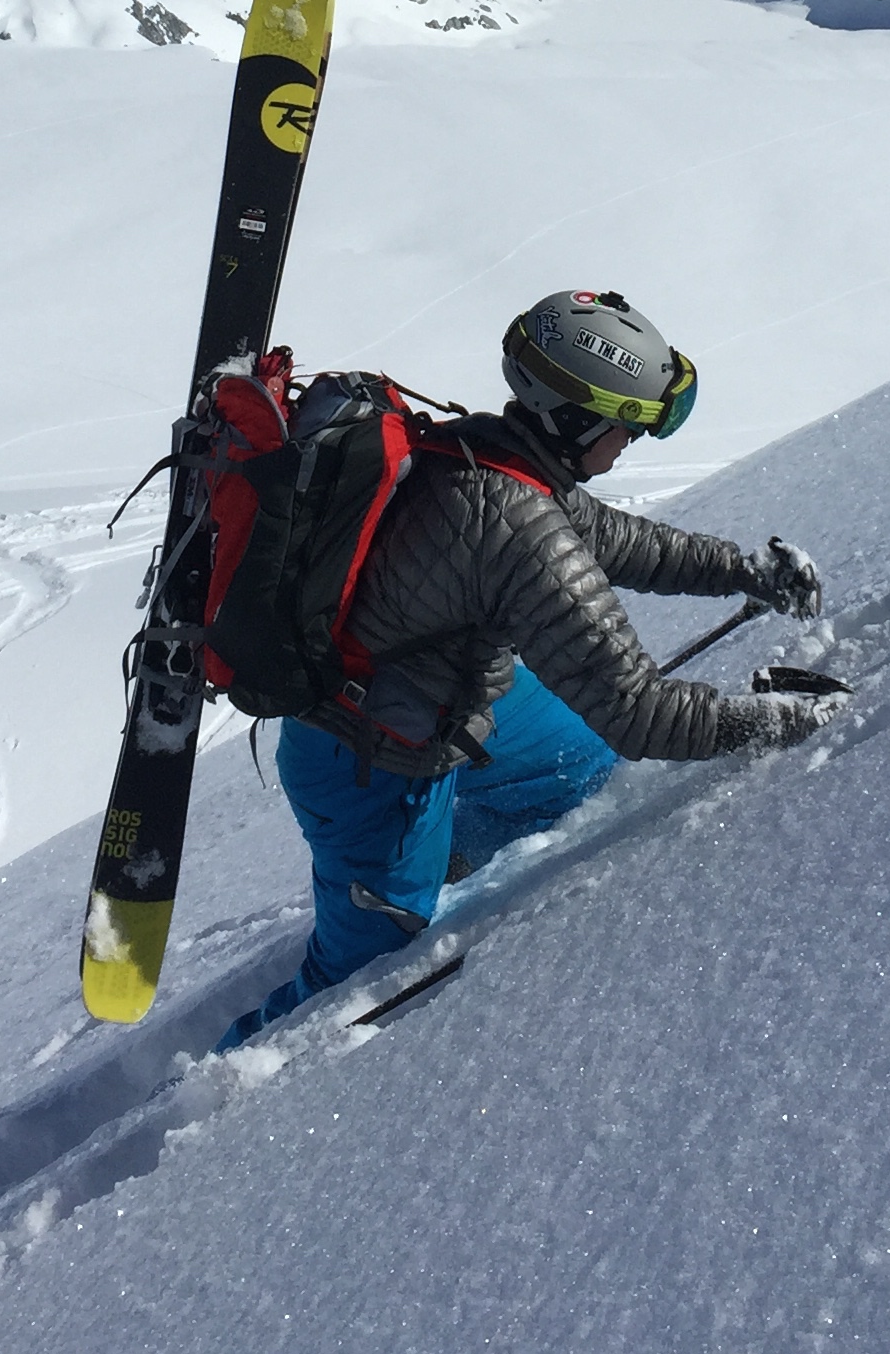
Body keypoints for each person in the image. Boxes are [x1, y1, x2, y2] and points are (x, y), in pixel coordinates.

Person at [221, 287, 838, 1043]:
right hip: (362, 756)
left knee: (579, 768)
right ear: (575, 421)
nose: (628, 447)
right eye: (626, 429)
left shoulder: (494, 455)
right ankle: (222, 1081)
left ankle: (445, 853)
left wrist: (744, 572)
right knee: (367, 972)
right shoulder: (519, 530)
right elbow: (640, 714)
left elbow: (620, 543)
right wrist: (774, 721)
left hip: (450, 698)